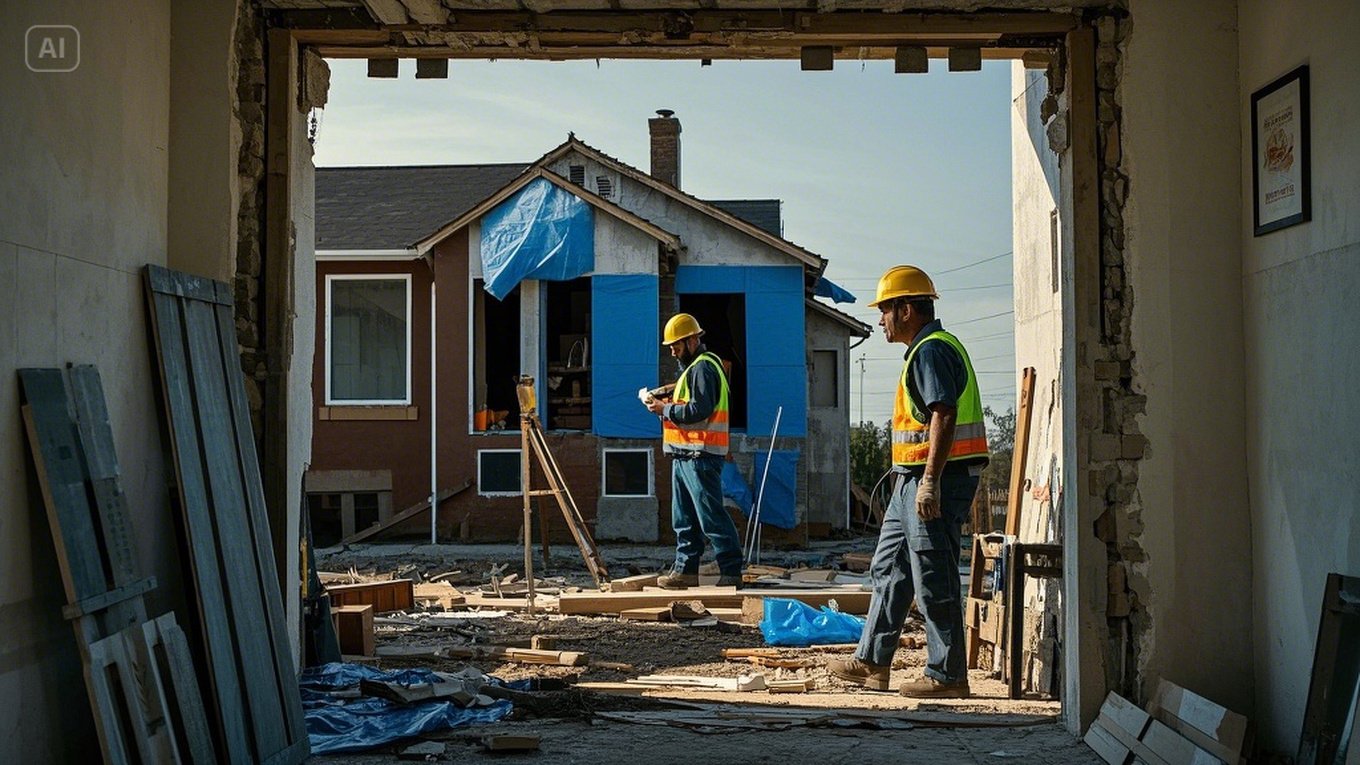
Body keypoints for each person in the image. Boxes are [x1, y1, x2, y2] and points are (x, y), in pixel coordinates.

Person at [829, 265, 989, 697]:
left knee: (933, 575)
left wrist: (930, 483)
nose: (880, 320)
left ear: (905, 309)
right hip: (910, 481)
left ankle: (947, 675)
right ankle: (872, 662)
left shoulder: (931, 351)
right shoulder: (925, 349)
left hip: (934, 481)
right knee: (890, 569)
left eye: (884, 310)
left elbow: (944, 412)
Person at [644, 313, 744, 589]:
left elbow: (700, 409)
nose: (673, 352)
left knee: (710, 515)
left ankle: (731, 569)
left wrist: (666, 409)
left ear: (691, 340)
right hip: (685, 453)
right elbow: (691, 406)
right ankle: (685, 570)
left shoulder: (703, 368)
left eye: (676, 346)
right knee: (684, 517)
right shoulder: (696, 369)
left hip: (700, 454)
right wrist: (667, 406)